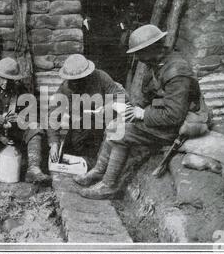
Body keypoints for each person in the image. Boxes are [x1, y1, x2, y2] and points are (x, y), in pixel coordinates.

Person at [75, 24, 203, 199]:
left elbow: (174, 116)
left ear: (150, 48)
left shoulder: (177, 72)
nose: (136, 57)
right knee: (114, 124)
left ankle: (108, 186)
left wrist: (142, 114)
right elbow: (147, 96)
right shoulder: (156, 65)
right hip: (159, 117)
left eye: (138, 52)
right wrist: (128, 110)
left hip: (177, 126)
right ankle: (99, 171)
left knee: (120, 132)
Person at [47, 54, 130, 169]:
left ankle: (99, 165)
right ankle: (88, 162)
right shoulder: (65, 88)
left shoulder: (101, 77)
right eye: (73, 80)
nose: (75, 83)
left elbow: (120, 97)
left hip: (106, 120)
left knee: (107, 141)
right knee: (71, 152)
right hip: (84, 124)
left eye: (79, 79)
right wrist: (54, 142)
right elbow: (53, 115)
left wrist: (107, 108)